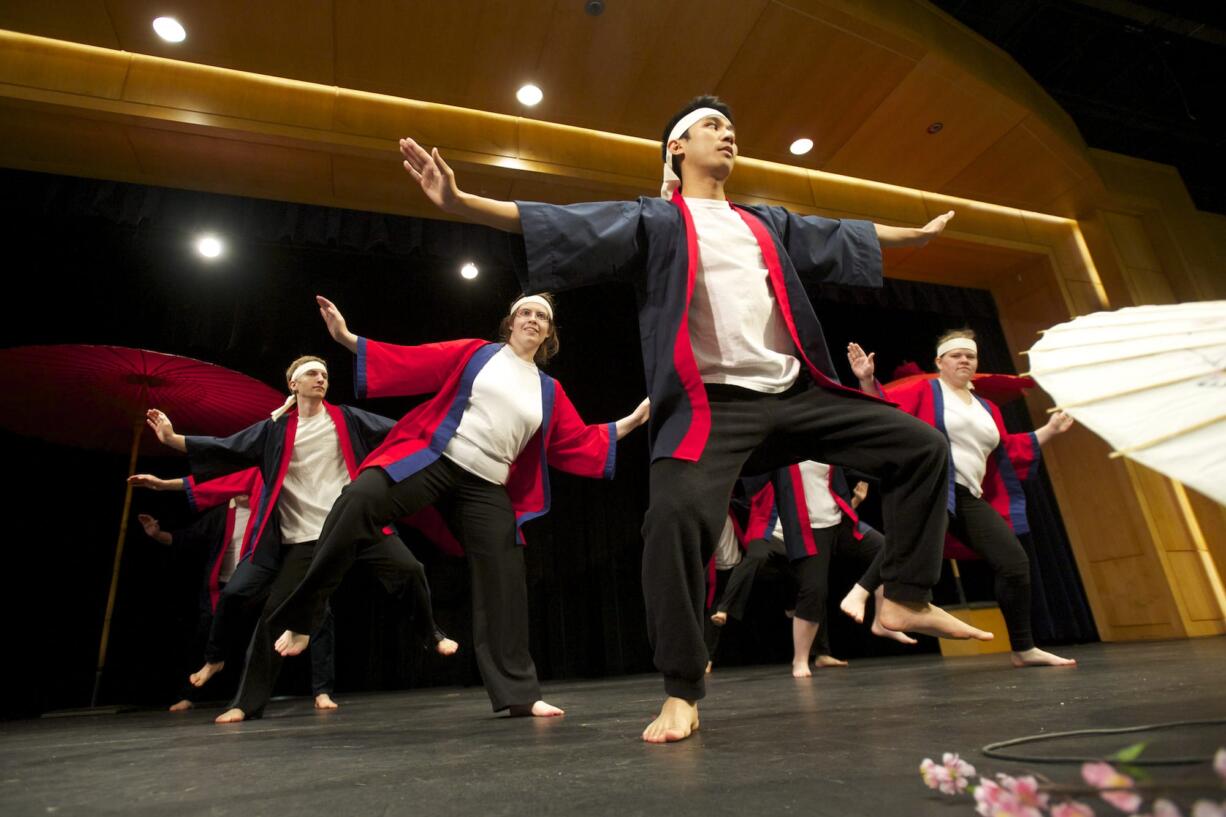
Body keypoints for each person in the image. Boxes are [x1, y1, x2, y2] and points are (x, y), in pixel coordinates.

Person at [399, 94, 985, 742]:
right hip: (713, 407)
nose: (727, 134)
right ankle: (682, 687)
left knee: (923, 446)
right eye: (711, 126)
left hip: (795, 394)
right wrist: (461, 203)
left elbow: (845, 236)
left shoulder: (766, 223)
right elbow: (574, 227)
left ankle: (903, 593)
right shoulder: (657, 221)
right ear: (676, 148)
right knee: (672, 519)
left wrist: (920, 236)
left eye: (732, 127)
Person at [269, 294, 650, 719]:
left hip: (487, 485)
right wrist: (345, 338)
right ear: (510, 323)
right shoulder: (478, 354)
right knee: (358, 500)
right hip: (435, 458)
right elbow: (415, 361)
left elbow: (576, 441)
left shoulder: (548, 390)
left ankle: (520, 694)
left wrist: (632, 420)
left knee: (506, 578)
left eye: (542, 317)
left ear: (548, 333)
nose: (533, 320)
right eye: (526, 312)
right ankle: (304, 616)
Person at [144, 355, 455, 722]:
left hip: (352, 523)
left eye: (324, 373)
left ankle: (430, 633)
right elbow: (227, 447)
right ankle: (246, 703)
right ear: (293, 384)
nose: (320, 378)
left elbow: (401, 430)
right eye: (312, 373)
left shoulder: (347, 418)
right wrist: (173, 439)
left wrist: (447, 427)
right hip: (303, 536)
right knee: (276, 616)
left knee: (410, 568)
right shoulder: (273, 430)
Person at [847, 330, 1077, 668]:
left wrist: (1051, 430)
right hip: (930, 487)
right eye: (956, 355)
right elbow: (887, 414)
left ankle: (1024, 648)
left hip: (967, 495)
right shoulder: (925, 390)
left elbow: (1008, 450)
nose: (964, 360)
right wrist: (867, 382)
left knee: (1014, 564)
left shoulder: (987, 409)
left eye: (970, 355)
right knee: (910, 544)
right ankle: (864, 593)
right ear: (939, 362)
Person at [130, 469, 339, 711]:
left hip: (287, 565)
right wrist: (164, 485)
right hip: (253, 571)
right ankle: (207, 671)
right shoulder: (237, 500)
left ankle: (322, 690)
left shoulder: (291, 485)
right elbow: (209, 489)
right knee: (224, 606)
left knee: (320, 613)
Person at [713, 463, 916, 677]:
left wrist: (896, 473)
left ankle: (880, 620)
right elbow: (753, 481)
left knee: (885, 549)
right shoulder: (782, 459)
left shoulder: (825, 449)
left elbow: (856, 466)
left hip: (840, 520)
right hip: (809, 530)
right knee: (814, 590)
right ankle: (800, 660)